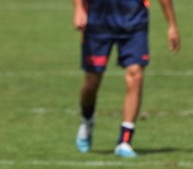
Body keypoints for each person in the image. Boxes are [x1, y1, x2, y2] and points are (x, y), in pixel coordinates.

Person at [73, 0, 180, 157]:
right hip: (98, 20)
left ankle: (125, 141)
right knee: (91, 83)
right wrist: (78, 8)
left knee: (135, 74)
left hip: (134, 20)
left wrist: (171, 25)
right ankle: (87, 120)